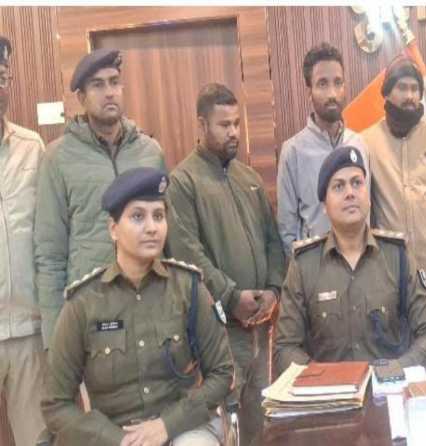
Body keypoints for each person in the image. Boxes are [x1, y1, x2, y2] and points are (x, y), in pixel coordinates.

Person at [41, 167, 234, 446]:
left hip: (182, 428)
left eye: (158, 216)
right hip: (113, 437)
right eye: (137, 216)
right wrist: (116, 439)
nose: (152, 227)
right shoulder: (84, 303)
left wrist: (166, 425)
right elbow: (56, 404)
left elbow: (223, 373)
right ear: (113, 229)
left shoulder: (188, 287)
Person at [166, 83, 285, 445]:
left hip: (261, 328)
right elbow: (188, 255)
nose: (233, 132)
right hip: (220, 333)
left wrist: (274, 290)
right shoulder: (183, 182)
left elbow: (273, 240)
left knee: (261, 426)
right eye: (224, 125)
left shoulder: (249, 178)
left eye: (236, 123)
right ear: (201, 125)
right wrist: (231, 297)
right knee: (225, 428)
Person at [35, 48, 166, 348]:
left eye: (114, 82)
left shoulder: (150, 152)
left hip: (150, 306)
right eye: (98, 85)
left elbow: (166, 236)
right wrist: (55, 340)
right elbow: (50, 254)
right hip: (92, 313)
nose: (109, 92)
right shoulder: (58, 158)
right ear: (81, 97)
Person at [274, 146, 426, 377]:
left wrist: (399, 369)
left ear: (368, 196)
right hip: (330, 394)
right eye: (338, 186)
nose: (350, 193)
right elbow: (285, 348)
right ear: (324, 206)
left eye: (357, 183)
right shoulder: (304, 265)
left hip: (389, 389)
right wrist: (321, 379)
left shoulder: (397, 255)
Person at [361, 57, 426, 362]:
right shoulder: (366, 142)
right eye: (402, 88)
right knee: (395, 360)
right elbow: (362, 214)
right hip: (388, 276)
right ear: (387, 93)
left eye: (414, 89)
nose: (410, 96)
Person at [0, 35, 48, 446]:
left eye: (2, 77)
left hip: (29, 330)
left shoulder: (32, 147)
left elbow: (49, 236)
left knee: (37, 439)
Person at [277, 42, 368, 255]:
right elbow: (287, 229)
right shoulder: (293, 151)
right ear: (309, 92)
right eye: (322, 84)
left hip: (361, 264)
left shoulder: (360, 144)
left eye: (338, 82)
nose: (332, 93)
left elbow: (369, 211)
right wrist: (305, 268)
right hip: (316, 267)